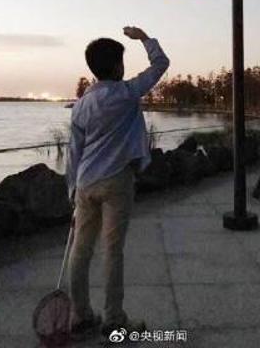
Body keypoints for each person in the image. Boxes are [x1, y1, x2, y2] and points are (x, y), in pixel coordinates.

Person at [65, 26, 170, 342]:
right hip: (116, 182)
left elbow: (74, 151)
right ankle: (113, 320)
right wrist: (144, 38)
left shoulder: (81, 105)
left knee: (80, 250)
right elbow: (161, 64)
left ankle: (80, 316)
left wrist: (72, 189)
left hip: (85, 183)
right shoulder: (126, 93)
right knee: (112, 251)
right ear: (116, 66)